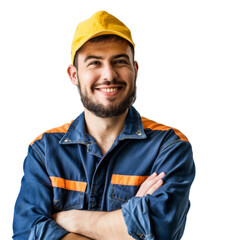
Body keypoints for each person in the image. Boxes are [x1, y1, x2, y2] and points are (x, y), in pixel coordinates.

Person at [13, 11, 195, 240]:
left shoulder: (169, 146)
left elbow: (160, 231)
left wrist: (70, 219)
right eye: (94, 63)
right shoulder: (45, 150)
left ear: (135, 70)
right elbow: (26, 233)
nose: (109, 75)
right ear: (74, 74)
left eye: (119, 61)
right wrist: (128, 225)